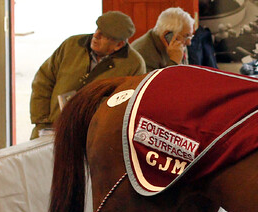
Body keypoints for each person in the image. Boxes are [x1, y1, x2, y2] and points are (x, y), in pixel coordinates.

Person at [29, 11, 145, 140]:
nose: (96, 35)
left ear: (119, 45)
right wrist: (43, 121)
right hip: (49, 129)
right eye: (97, 29)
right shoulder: (71, 45)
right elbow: (43, 81)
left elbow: (124, 105)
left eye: (104, 35)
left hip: (90, 137)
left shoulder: (133, 64)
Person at [131, 7, 195, 73]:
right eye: (186, 36)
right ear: (168, 35)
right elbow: (157, 82)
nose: (189, 42)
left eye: (190, 36)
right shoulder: (142, 53)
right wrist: (174, 61)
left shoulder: (178, 45)